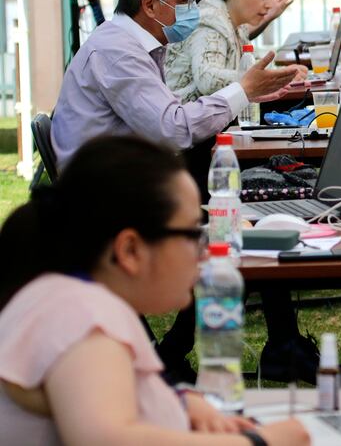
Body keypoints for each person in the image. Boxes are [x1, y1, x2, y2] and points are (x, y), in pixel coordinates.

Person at [0, 136, 310, 446]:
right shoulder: (86, 321)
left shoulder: (69, 299)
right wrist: (261, 441)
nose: (203, 252)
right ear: (131, 250)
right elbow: (109, 439)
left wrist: (181, 401)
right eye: (191, 233)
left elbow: (108, 395)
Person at [164, 0, 318, 385]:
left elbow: (241, 37)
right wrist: (261, 81)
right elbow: (209, 75)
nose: (267, 4)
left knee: (248, 233)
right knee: (241, 236)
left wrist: (265, 40)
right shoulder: (210, 22)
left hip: (199, 146)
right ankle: (178, 351)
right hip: (186, 153)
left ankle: (277, 343)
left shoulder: (221, 18)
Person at [51, 0, 298, 167]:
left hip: (130, 172)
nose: (192, 8)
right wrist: (243, 89)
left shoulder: (139, 44)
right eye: (183, 1)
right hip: (106, 191)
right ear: (149, 5)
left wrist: (245, 90)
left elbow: (166, 114)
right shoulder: (118, 54)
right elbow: (174, 130)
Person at [166, 0, 307, 104]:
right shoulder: (210, 21)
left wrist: (281, 75)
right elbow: (207, 79)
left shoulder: (235, 23)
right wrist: (270, 77)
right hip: (185, 123)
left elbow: (245, 70)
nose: (270, 5)